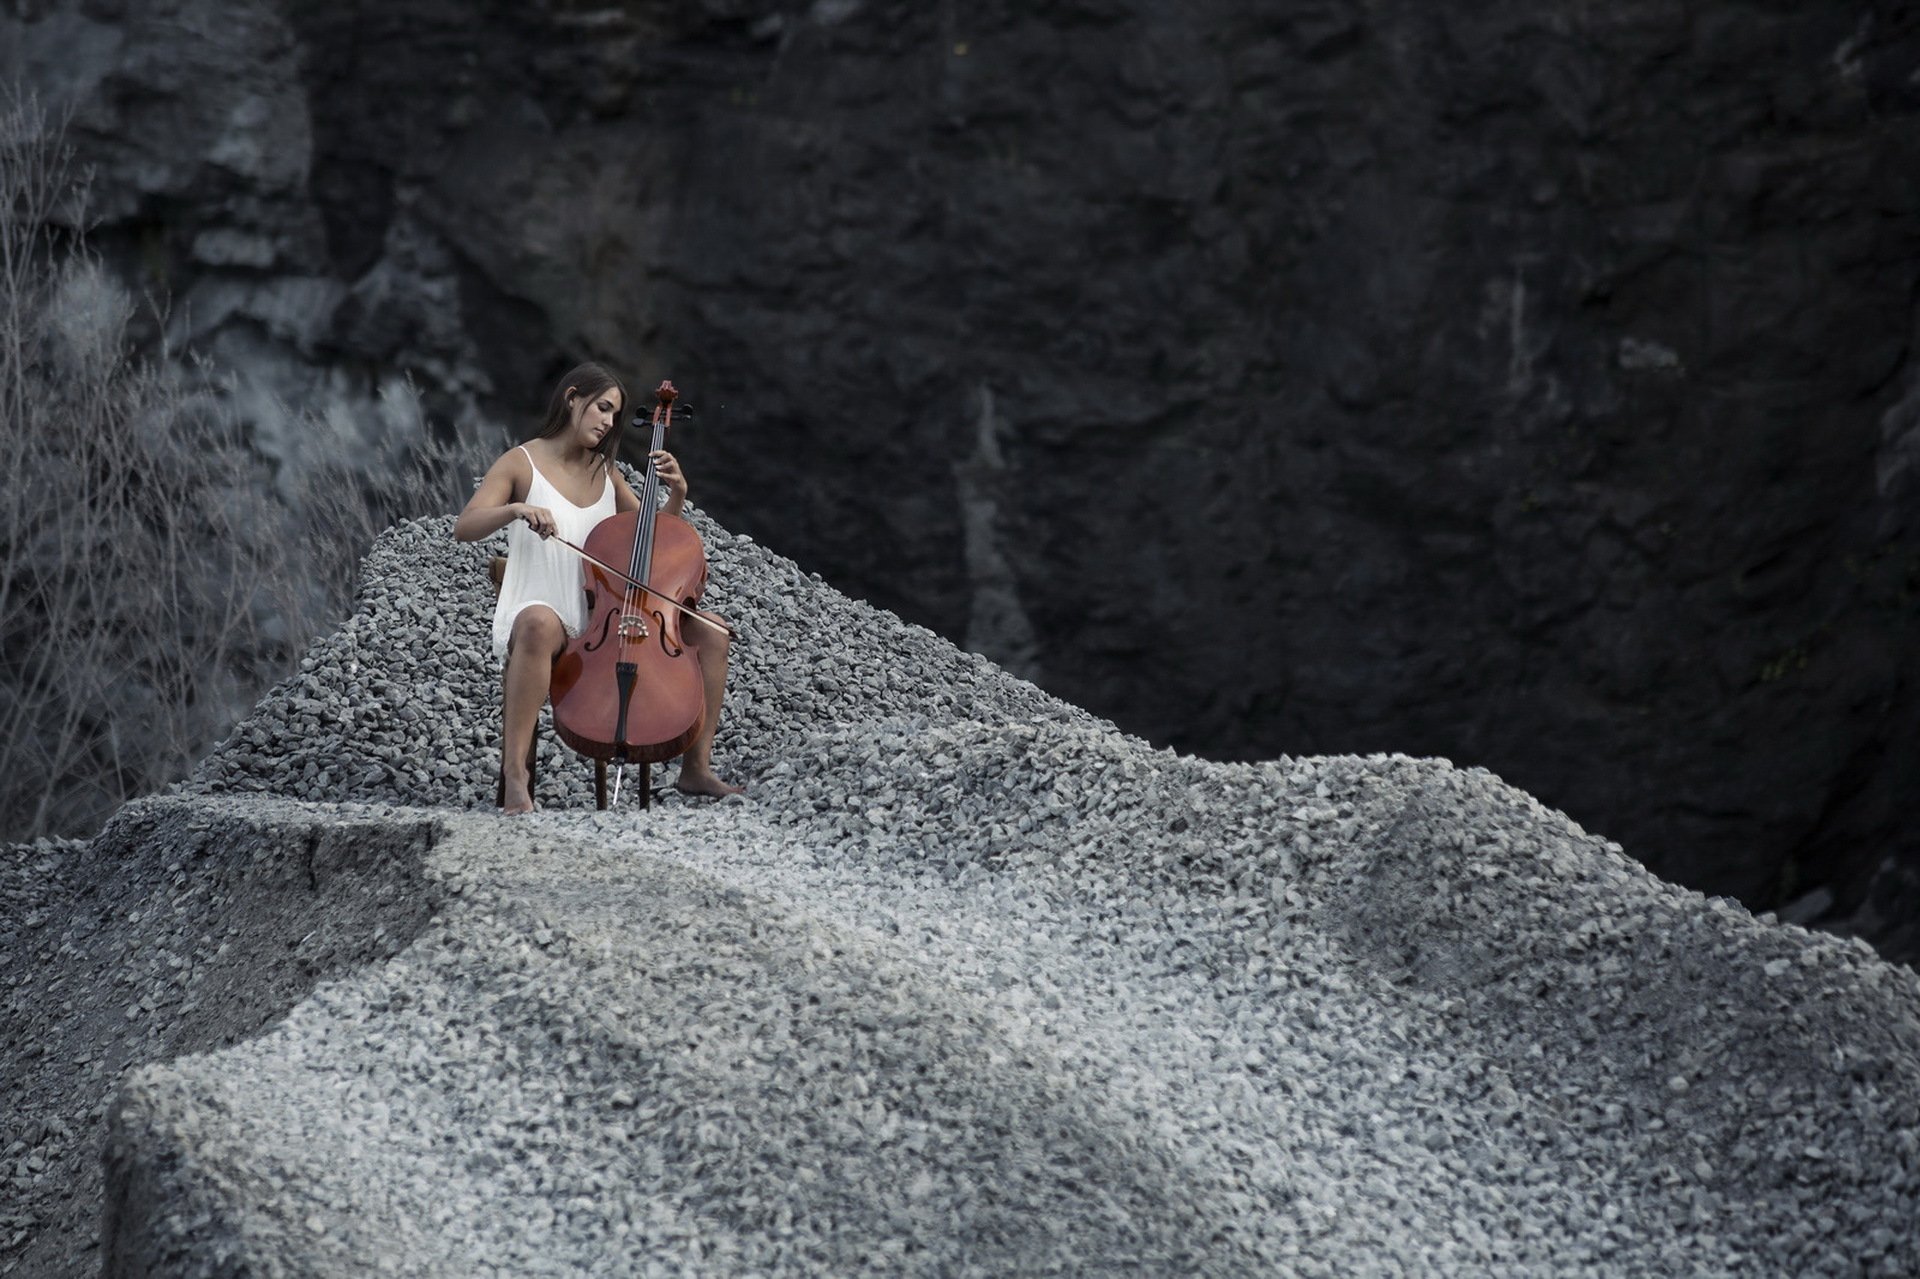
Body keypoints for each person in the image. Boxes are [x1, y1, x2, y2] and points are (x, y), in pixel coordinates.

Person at [453, 362, 742, 813]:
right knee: (537, 622)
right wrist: (515, 509)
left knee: (714, 629)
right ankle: (515, 777)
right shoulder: (521, 462)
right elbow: (465, 526)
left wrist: (678, 494)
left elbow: (654, 541)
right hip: (543, 608)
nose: (608, 422)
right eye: (602, 408)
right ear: (572, 398)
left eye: (615, 414)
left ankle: (696, 769)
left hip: (601, 619)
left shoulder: (605, 473)